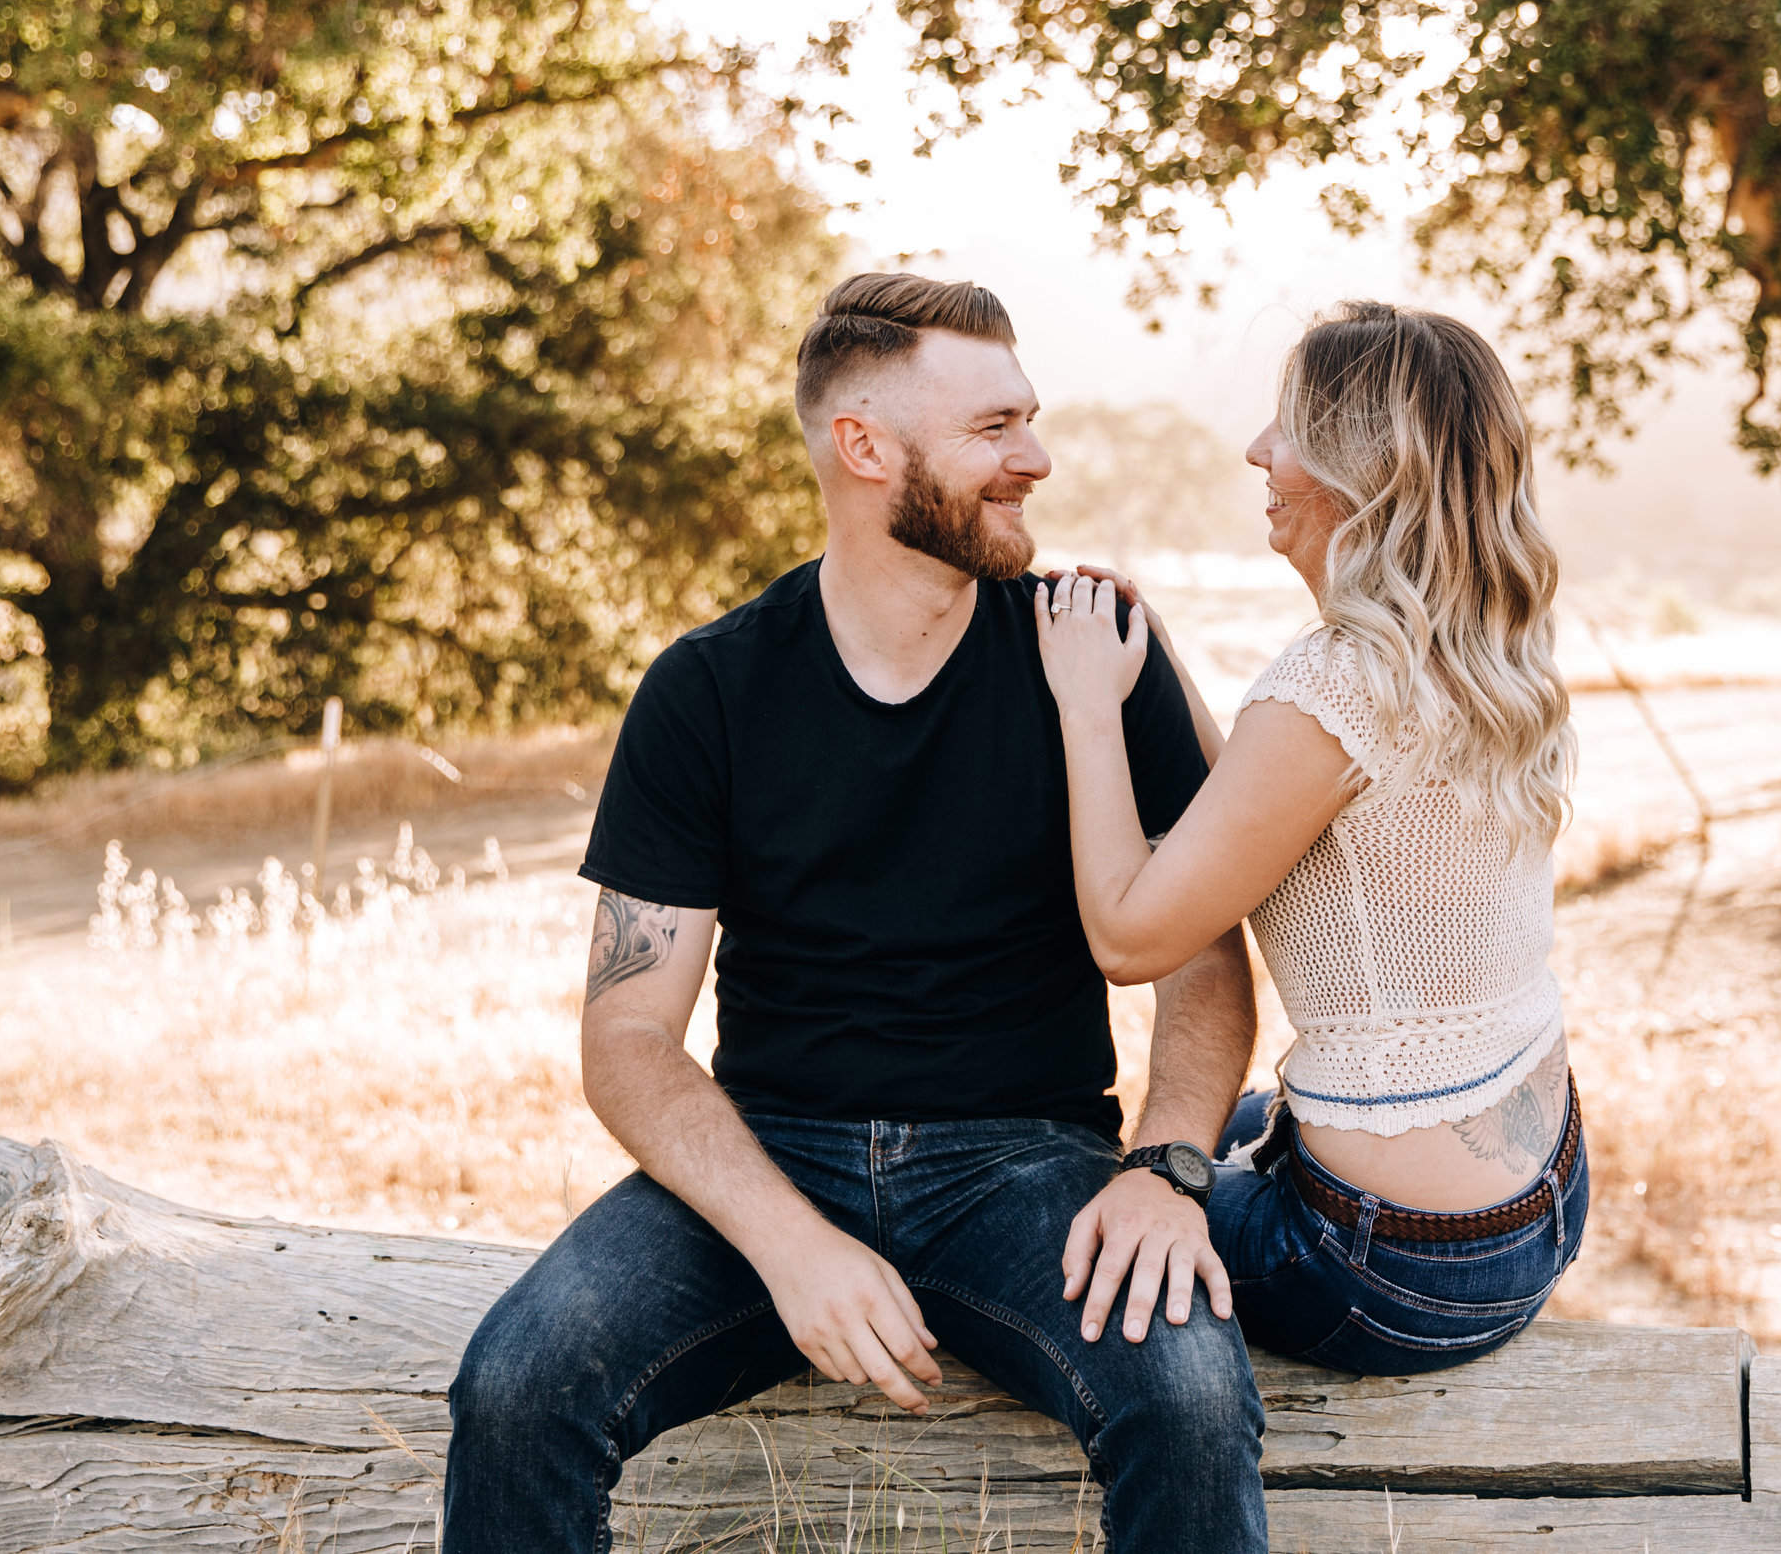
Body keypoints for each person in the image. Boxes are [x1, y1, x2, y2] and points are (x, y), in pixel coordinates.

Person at [443, 274, 1271, 1554]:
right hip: (772, 1151)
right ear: (865, 446)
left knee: (1193, 1394)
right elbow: (628, 1038)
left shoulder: (1093, 645)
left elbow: (1201, 956)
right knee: (512, 1384)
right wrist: (795, 1250)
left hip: (1027, 1161)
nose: (1035, 459)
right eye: (994, 427)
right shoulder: (708, 687)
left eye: (1030, 420)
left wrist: (1166, 1169)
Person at [1033, 300, 1588, 1374]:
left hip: (1391, 1267)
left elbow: (1129, 933)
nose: (1258, 452)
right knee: (1202, 1120)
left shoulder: (1334, 684)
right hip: (1538, 1201)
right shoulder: (1479, 643)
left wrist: (1086, 703)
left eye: (1285, 428)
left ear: (1357, 464)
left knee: (1048, 1201)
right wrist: (1155, 668)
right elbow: (1246, 800)